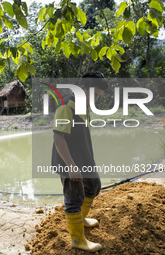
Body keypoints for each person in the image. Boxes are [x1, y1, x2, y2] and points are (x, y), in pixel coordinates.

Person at [51, 71, 108, 252]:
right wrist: (71, 166)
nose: (97, 99)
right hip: (69, 162)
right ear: (83, 88)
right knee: (74, 198)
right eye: (95, 94)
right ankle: (77, 240)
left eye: (99, 95)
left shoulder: (85, 106)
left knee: (94, 185)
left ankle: (80, 218)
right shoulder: (66, 106)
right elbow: (58, 138)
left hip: (83, 160)